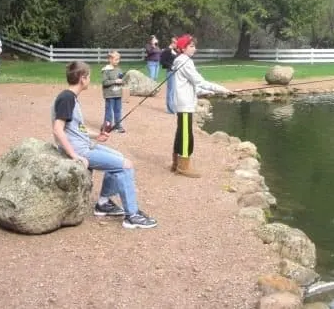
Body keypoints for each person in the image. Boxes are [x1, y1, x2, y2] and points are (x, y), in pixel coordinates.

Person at [51, 61, 157, 229]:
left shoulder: (70, 97)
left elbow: (75, 127)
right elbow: (58, 129)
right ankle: (132, 215)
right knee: (126, 166)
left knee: (120, 158)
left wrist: (96, 135)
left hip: (85, 145)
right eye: (89, 77)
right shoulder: (67, 98)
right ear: (82, 79)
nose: (90, 80)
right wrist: (74, 156)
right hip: (81, 150)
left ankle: (103, 203)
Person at [170, 34, 233, 177]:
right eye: (191, 46)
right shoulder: (185, 62)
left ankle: (176, 164)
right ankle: (183, 168)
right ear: (182, 48)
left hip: (183, 103)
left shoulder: (180, 61)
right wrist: (222, 89)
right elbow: (200, 81)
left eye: (194, 46)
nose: (195, 49)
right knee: (186, 135)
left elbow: (193, 86)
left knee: (181, 133)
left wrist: (210, 92)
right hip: (184, 105)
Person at [101, 50, 125, 133]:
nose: (118, 61)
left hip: (118, 94)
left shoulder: (119, 69)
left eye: (118, 59)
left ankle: (118, 125)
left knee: (118, 110)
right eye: (116, 59)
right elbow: (104, 82)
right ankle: (107, 126)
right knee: (109, 111)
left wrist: (122, 81)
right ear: (110, 60)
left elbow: (122, 80)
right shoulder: (106, 70)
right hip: (109, 95)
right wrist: (115, 81)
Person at [159, 36, 178, 115]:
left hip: (175, 72)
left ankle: (172, 107)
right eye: (176, 44)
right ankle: (170, 109)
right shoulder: (167, 50)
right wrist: (171, 66)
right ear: (173, 42)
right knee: (170, 90)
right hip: (170, 71)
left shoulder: (174, 51)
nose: (177, 45)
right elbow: (162, 61)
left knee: (173, 90)